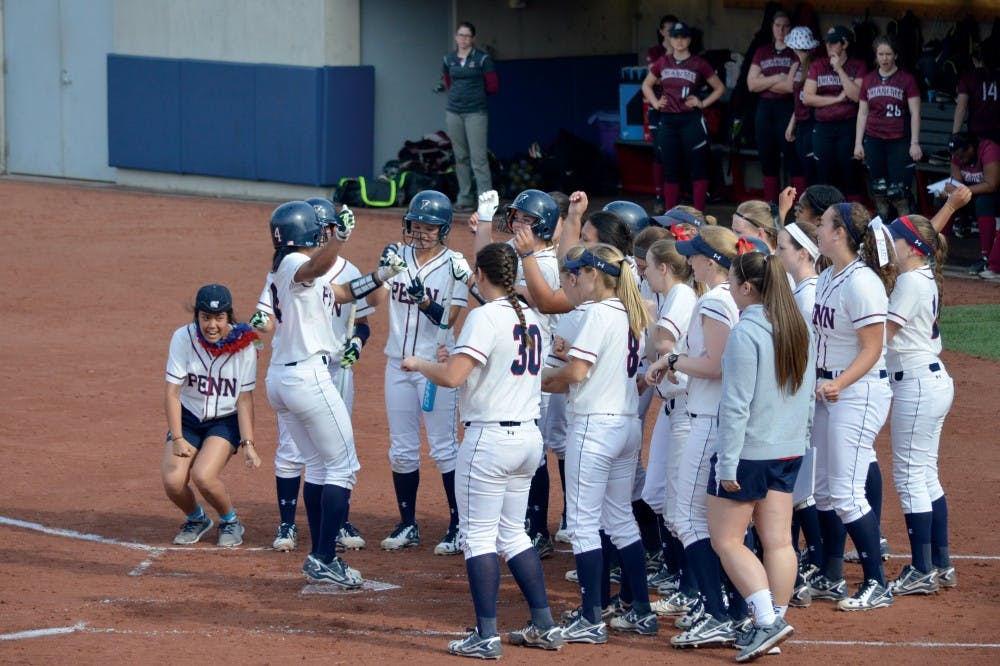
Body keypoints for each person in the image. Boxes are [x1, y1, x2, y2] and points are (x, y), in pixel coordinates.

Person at [402, 242, 562, 658]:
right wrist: (451, 360)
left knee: (477, 538)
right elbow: (484, 370)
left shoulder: (483, 317)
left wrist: (422, 365)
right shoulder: (529, 317)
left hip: (489, 441)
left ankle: (486, 635)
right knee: (512, 533)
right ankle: (544, 625)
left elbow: (453, 378)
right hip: (528, 439)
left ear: (481, 274)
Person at [542, 243, 656, 644]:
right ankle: (640, 609)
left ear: (593, 275)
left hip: (594, 426)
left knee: (585, 523)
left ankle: (591, 616)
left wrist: (528, 382)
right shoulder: (631, 311)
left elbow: (575, 372)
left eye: (577, 273)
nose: (573, 280)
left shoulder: (593, 313)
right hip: (625, 426)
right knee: (620, 519)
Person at [252, 198, 375, 553]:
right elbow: (317, 269)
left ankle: (320, 555)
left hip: (284, 379)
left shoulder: (287, 268)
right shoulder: (295, 263)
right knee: (343, 467)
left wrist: (382, 275)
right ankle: (325, 554)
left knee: (320, 466)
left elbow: (345, 292)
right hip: (307, 377)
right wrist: (340, 240)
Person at [707, 251, 812, 662]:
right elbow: (805, 396)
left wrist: (728, 462)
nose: (730, 289)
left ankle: (767, 622)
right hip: (788, 449)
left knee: (728, 539)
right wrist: (801, 440)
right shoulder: (798, 326)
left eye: (732, 282)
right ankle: (773, 619)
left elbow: (736, 406)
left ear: (747, 287)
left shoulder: (745, 333)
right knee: (779, 541)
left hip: (748, 452)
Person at [646, 226, 742, 648]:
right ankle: (721, 606)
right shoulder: (723, 299)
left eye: (696, 255)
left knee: (687, 517)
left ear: (710, 261)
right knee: (704, 520)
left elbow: (718, 365)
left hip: (708, 418)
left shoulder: (716, 301)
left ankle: (717, 610)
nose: (691, 261)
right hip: (708, 416)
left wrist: (672, 358)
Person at [371, 190, 471, 555]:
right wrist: (381, 273)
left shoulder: (455, 265)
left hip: (436, 365)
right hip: (396, 363)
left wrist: (426, 302)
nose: (421, 231)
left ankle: (459, 525)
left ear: (443, 229)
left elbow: (451, 318)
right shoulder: (396, 255)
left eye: (429, 226)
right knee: (401, 450)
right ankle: (407, 524)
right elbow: (372, 302)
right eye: (416, 224)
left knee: (444, 448)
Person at [808, 202, 896, 611]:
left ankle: (877, 583)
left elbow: (873, 348)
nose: (818, 229)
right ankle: (830, 576)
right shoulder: (828, 276)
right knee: (823, 490)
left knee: (845, 493)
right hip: (831, 390)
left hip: (857, 392)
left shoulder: (862, 283)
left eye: (823, 224)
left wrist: (839, 382)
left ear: (840, 233)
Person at [469, 189, 562, 556]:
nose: (518, 224)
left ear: (543, 227)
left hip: (535, 360)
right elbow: (487, 264)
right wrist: (485, 221)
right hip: (516, 354)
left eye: (526, 219)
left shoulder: (546, 263)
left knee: (535, 448)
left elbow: (526, 295)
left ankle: (539, 528)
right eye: (516, 218)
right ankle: (526, 523)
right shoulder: (518, 251)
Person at [885, 215, 956, 594]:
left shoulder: (911, 281)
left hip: (915, 383)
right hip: (931, 379)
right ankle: (940, 564)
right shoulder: (922, 276)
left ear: (911, 247)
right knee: (925, 473)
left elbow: (882, 335)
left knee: (909, 475)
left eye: (894, 239)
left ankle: (921, 569)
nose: (888, 245)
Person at [163, 284, 261, 547]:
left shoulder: (245, 348)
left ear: (229, 317)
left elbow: (244, 399)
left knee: (204, 476)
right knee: (173, 482)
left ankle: (230, 522)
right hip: (188, 418)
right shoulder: (183, 338)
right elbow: (172, 393)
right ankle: (197, 519)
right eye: (205, 317)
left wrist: (248, 444)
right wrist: (178, 437)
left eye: (219, 318)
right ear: (197, 316)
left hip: (224, 420)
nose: (212, 325)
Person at [639, 239, 699, 614]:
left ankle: (691, 589)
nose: (642, 272)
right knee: (659, 495)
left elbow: (662, 342)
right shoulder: (672, 296)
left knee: (682, 508)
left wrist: (645, 317)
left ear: (664, 267)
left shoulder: (680, 295)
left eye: (646, 266)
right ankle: (681, 579)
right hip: (672, 407)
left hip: (689, 409)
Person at [642, 20, 726, 213]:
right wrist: (655, 103)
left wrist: (702, 103)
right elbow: (646, 85)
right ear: (669, 39)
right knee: (671, 169)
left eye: (683, 37)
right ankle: (670, 215)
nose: (679, 41)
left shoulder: (699, 63)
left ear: (689, 40)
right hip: (668, 120)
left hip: (691, 120)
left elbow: (719, 87)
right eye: (675, 37)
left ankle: (698, 214)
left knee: (697, 167)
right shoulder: (663, 61)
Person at [853, 36, 922, 220]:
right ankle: (883, 228)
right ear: (875, 56)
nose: (884, 58)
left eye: (888, 54)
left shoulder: (907, 79)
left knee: (899, 192)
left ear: (896, 55)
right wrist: (858, 143)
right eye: (881, 54)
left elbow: (915, 112)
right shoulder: (868, 80)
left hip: (898, 139)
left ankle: (906, 227)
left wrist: (914, 143)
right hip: (874, 139)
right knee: (879, 189)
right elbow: (862, 113)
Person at [803, 26, 867, 201]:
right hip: (823, 126)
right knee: (824, 175)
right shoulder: (818, 65)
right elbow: (807, 98)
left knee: (850, 173)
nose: (828, 46)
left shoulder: (857, 65)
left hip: (847, 126)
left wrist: (839, 69)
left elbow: (856, 95)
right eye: (827, 43)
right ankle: (827, 217)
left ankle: (854, 220)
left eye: (833, 43)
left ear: (844, 43)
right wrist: (837, 99)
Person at [442, 21, 498, 212]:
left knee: (479, 158)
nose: (463, 39)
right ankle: (464, 198)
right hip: (453, 112)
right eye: (460, 35)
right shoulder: (448, 59)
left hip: (476, 113)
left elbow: (492, 86)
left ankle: (486, 201)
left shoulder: (482, 59)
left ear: (473, 38)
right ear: (456, 37)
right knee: (460, 157)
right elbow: (448, 82)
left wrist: (474, 96)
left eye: (467, 36)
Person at [747, 11, 799, 204]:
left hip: (787, 107)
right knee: (768, 159)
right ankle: (771, 206)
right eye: (777, 26)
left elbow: (789, 86)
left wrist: (764, 80)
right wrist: (778, 77)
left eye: (785, 26)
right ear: (772, 27)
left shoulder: (795, 52)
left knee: (794, 159)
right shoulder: (763, 51)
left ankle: (796, 207)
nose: (781, 30)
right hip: (765, 108)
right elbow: (751, 85)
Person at [943, 132, 1000, 277]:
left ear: (970, 148)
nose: (960, 159)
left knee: (983, 202)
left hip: (993, 194)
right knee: (946, 201)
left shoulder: (988, 150)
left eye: (962, 155)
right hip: (973, 192)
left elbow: (991, 185)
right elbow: (956, 181)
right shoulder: (957, 157)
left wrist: (961, 190)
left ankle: (986, 256)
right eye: (956, 156)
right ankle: (934, 252)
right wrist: (950, 190)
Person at [645, 14, 680, 214]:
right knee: (659, 153)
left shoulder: (684, 53)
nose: (671, 33)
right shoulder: (655, 52)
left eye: (675, 29)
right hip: (659, 107)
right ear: (661, 31)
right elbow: (657, 79)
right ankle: (660, 196)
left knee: (676, 155)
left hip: (678, 111)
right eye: (668, 29)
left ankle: (675, 198)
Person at [784, 26, 820, 190]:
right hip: (801, 120)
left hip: (812, 121)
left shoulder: (814, 67)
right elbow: (795, 96)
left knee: (812, 167)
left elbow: (809, 99)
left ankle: (815, 202)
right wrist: (792, 122)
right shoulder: (797, 65)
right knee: (802, 163)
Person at [952, 45, 1000, 145]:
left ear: (975, 59)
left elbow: (961, 107)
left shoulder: (968, 77)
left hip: (977, 132)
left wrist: (955, 137)